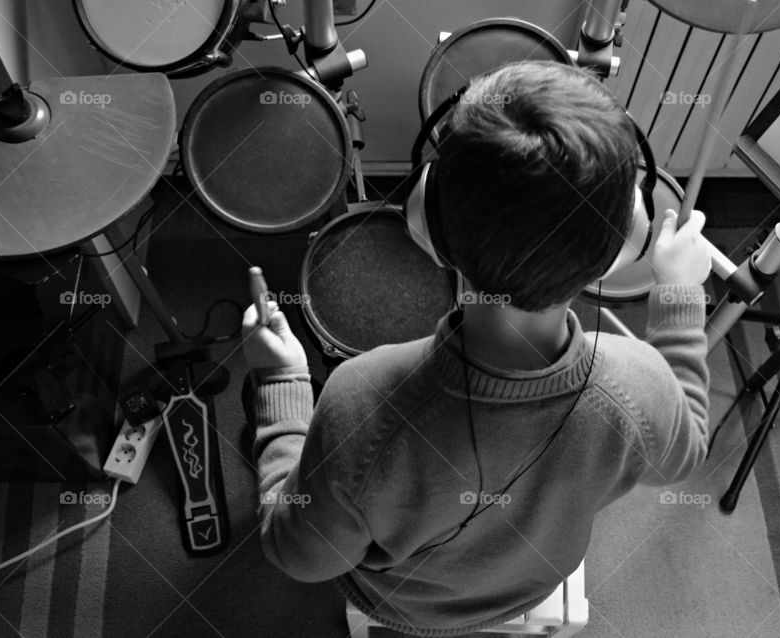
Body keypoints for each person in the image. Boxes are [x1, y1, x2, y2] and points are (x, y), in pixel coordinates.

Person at [242, 60, 711, 636]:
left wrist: (283, 388)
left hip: (399, 605)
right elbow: (684, 454)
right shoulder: (640, 387)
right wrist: (680, 293)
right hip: (535, 582)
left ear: (427, 223)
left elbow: (299, 554)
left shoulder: (359, 401)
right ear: (624, 241)